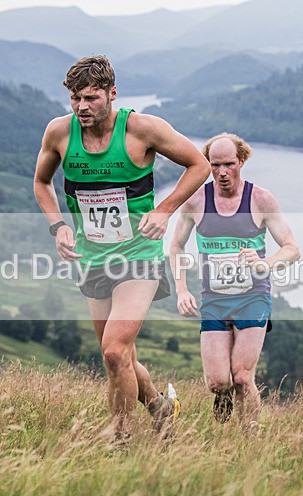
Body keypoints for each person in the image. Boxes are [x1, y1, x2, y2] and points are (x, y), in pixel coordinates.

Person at [33, 55, 210, 441]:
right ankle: (161, 408)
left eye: (92, 98)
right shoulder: (59, 134)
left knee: (114, 352)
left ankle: (121, 440)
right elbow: (42, 183)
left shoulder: (142, 129)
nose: (82, 107)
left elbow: (200, 165)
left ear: (112, 94)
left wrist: (164, 210)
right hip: (93, 259)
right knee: (121, 358)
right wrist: (58, 226)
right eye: (76, 98)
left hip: (138, 257)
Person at [169, 132, 300, 427]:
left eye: (229, 164)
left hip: (253, 299)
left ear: (241, 161)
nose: (222, 172)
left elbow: (292, 249)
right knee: (218, 382)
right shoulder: (196, 202)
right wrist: (181, 290)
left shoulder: (261, 199)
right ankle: (223, 397)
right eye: (215, 165)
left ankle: (248, 435)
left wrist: (265, 264)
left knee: (242, 377)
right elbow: (176, 246)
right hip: (214, 300)